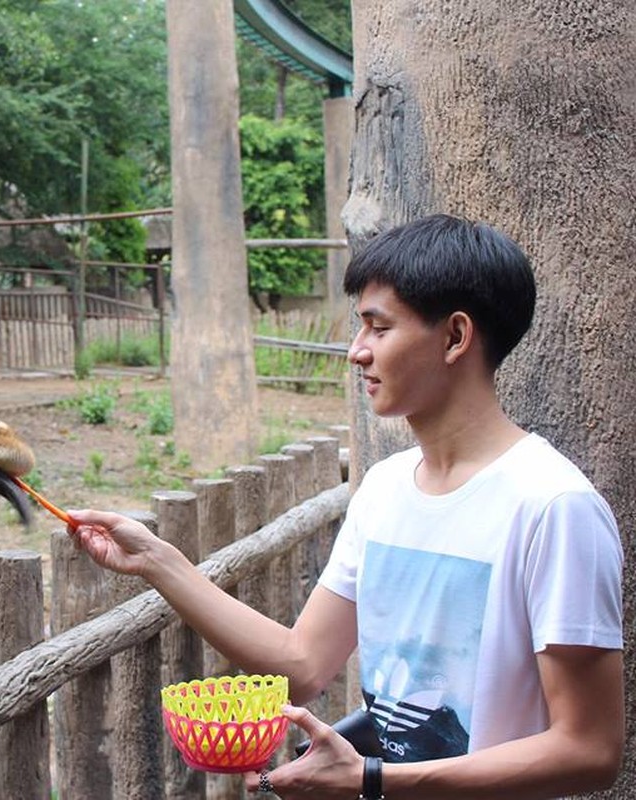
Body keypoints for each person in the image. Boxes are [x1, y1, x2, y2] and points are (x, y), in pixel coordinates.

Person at [67, 215, 624, 799]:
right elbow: (303, 666)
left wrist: (373, 780)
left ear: (456, 337)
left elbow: (589, 750)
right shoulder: (383, 489)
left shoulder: (554, 508)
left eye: (377, 328)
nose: (356, 351)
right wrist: (158, 561)